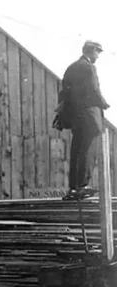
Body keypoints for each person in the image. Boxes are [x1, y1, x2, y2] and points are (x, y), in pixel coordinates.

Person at [59, 40, 110, 200]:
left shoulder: (71, 68)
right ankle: (83, 185)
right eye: (98, 52)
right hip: (89, 117)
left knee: (76, 150)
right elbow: (94, 89)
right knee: (88, 151)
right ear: (92, 51)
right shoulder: (89, 68)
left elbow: (64, 93)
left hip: (76, 117)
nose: (98, 56)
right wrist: (104, 104)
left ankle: (73, 187)